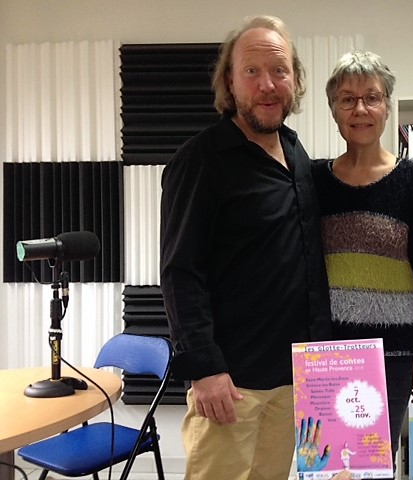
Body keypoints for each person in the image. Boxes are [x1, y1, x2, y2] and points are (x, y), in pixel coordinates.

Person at [160, 15, 332, 479]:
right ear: (230, 82)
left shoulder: (296, 154)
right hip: (230, 387)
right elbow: (180, 273)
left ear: (295, 80)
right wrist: (205, 369)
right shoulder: (200, 160)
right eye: (252, 71)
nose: (267, 85)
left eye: (279, 71)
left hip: (292, 380)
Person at [312, 50, 413, 476]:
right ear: (334, 110)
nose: (360, 109)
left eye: (372, 97)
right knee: (325, 468)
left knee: (371, 468)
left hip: (390, 355)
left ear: (387, 107)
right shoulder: (313, 181)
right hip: (326, 354)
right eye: (347, 99)